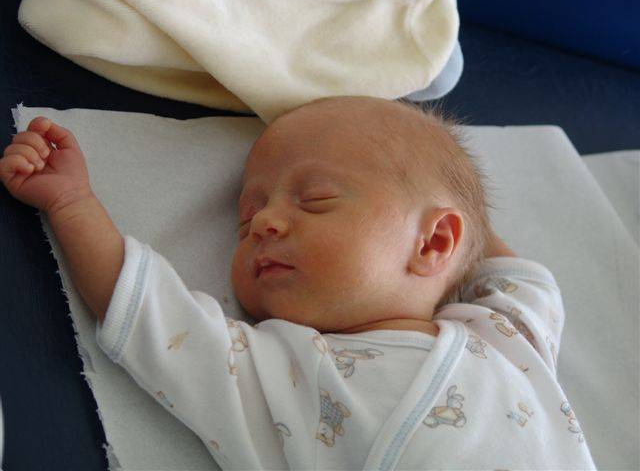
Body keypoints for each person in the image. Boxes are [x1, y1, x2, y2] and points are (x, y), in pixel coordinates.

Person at [0, 96, 596, 469]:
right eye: (245, 220)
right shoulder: (288, 371)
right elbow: (146, 312)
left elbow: (496, 255)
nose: (263, 222)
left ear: (433, 243)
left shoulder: (501, 334)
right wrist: (72, 202)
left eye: (315, 200)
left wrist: (433, 171)